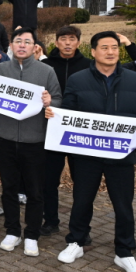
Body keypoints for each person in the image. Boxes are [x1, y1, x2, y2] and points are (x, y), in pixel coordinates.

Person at [51, 31, 136, 272]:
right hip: (85, 154)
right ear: (93, 51)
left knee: (123, 205)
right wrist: (56, 114)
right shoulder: (78, 80)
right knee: (82, 200)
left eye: (114, 47)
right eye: (104, 47)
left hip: (121, 153)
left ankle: (124, 252)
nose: (111, 52)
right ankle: (76, 242)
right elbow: (68, 111)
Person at [0, 27, 61, 257]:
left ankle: (32, 235)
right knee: (9, 188)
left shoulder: (46, 71)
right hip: (5, 138)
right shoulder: (0, 69)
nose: (22, 45)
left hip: (35, 140)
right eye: (18, 41)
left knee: (35, 191)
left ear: (35, 46)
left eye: (27, 41)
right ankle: (12, 231)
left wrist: (51, 101)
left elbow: (59, 99)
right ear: (12, 45)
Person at [39, 26, 91, 237]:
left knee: (83, 182)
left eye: (72, 39)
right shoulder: (45, 66)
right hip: (51, 130)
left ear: (78, 42)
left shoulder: (90, 66)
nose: (67, 43)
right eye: (63, 39)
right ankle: (50, 220)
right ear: (56, 42)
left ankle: (81, 228)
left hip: (80, 132)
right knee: (49, 180)